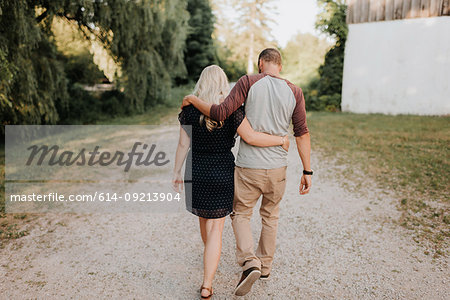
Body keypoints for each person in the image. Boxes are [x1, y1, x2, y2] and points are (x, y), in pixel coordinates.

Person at [182, 48, 312, 296]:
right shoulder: (295, 91)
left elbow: (220, 112)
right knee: (271, 216)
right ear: (280, 66)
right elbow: (302, 132)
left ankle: (249, 262)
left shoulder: (248, 82)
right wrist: (307, 170)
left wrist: (192, 99)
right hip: (278, 167)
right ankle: (264, 267)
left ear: (261, 63)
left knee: (241, 214)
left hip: (249, 166)